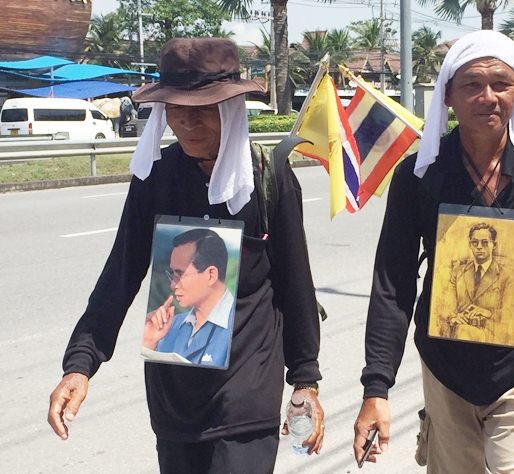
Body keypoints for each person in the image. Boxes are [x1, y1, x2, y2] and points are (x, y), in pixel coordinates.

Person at [47, 37, 325, 473]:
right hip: (174, 398)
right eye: (178, 110)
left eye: (204, 110)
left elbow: (295, 284)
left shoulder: (268, 180)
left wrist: (305, 378)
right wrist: (79, 365)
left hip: (246, 396)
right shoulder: (155, 179)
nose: (189, 124)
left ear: (231, 110)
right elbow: (120, 275)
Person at [352, 30, 514, 473]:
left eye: (501, 84)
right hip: (447, 375)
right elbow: (392, 285)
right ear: (449, 96)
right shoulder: (420, 178)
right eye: (472, 84)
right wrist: (375, 388)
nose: (487, 96)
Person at [143, 228, 234, 367]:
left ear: (211, 275)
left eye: (180, 274)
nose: (173, 285)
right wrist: (149, 341)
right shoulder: (169, 326)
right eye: (172, 274)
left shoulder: (241, 323)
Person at [439, 222, 514, 343]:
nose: (479, 247)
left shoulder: (508, 276)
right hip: (459, 339)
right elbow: (446, 306)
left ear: (494, 245)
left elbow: (511, 315)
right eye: (475, 242)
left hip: (493, 338)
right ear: (470, 245)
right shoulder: (458, 273)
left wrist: (488, 313)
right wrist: (453, 317)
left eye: (485, 242)